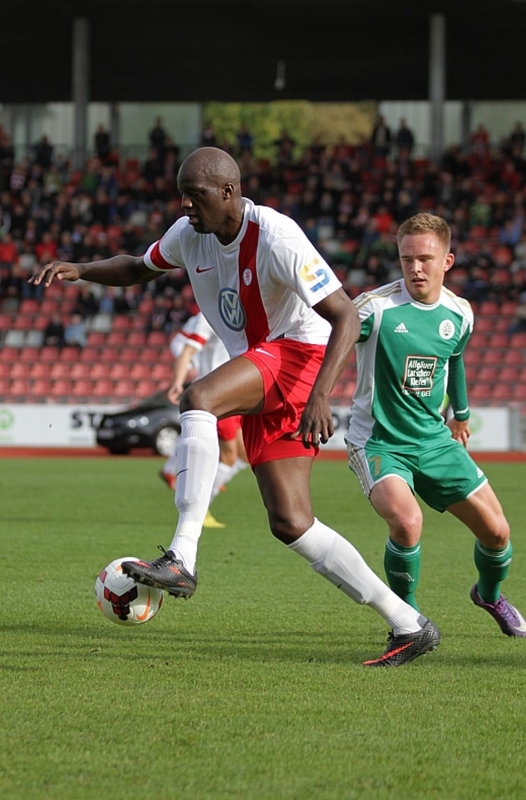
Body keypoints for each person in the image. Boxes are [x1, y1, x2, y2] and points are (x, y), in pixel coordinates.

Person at [29, 146, 441, 667]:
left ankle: (182, 555)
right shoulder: (189, 234)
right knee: (291, 522)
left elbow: (346, 316)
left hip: (298, 354)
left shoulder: (277, 235)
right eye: (181, 194)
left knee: (198, 398)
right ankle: (408, 623)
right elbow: (138, 266)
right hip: (264, 362)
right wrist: (80, 269)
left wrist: (320, 396)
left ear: (228, 192)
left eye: (195, 194)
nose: (185, 205)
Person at [345, 211, 526, 638]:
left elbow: (455, 359)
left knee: (498, 533)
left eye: (425, 259)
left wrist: (460, 414)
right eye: (407, 259)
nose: (415, 268)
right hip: (379, 442)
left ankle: (488, 594)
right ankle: (406, 620)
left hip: (434, 440)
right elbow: (329, 341)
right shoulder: (374, 308)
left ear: (447, 261)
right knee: (407, 523)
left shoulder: (459, 313)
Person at [160, 311, 249, 529]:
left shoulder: (243, 306)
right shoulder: (209, 313)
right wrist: (177, 383)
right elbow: (187, 350)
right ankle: (199, 510)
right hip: (216, 393)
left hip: (238, 391)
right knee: (228, 456)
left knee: (245, 455)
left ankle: (205, 489)